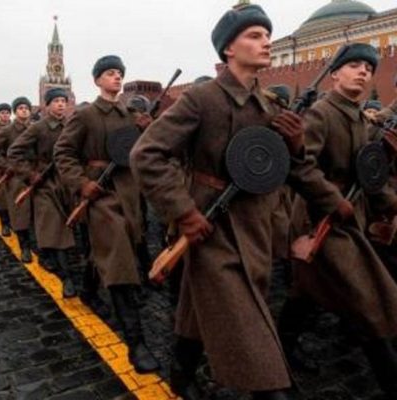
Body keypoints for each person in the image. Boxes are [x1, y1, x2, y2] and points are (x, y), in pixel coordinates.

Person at [131, 3, 306, 399]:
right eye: (255, 35)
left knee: (196, 308)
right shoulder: (202, 98)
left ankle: (181, 371)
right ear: (229, 48)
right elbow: (147, 154)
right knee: (254, 337)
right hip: (211, 230)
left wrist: (296, 147)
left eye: (268, 34)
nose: (267, 42)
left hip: (256, 228)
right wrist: (184, 212)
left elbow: (283, 170)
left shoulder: (271, 106)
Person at [283, 43, 397, 398]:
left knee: (305, 295)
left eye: (368, 67)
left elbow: (368, 176)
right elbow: (301, 167)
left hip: (349, 220)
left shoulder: (361, 118)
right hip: (321, 222)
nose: (363, 71)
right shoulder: (321, 114)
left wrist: (390, 204)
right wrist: (332, 200)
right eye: (354, 65)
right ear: (335, 74)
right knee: (368, 303)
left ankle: (282, 347)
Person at [53, 55, 159, 373]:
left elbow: (142, 151)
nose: (117, 78)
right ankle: (136, 342)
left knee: (108, 251)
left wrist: (145, 130)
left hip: (128, 193)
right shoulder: (85, 115)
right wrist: (81, 184)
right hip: (100, 196)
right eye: (110, 73)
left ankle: (87, 290)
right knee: (121, 260)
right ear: (97, 79)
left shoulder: (131, 114)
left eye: (120, 74)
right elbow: (64, 152)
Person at [8, 88, 77, 298]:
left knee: (66, 228)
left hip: (68, 183)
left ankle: (47, 254)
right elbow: (14, 152)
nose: (60, 105)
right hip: (45, 185)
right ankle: (67, 279)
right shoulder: (38, 128)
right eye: (56, 101)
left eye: (63, 101)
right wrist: (30, 175)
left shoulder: (71, 126)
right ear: (47, 105)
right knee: (57, 229)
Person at [0, 97, 33, 262]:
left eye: (26, 107)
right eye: (20, 108)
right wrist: (6, 166)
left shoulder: (35, 128)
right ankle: (24, 246)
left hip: (34, 174)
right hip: (15, 175)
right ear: (15, 112)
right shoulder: (7, 131)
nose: (24, 110)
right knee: (19, 212)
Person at [0, 103, 12, 237]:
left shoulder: (14, 127)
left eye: (7, 112)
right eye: (2, 113)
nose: (5, 115)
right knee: (2, 198)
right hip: (1, 169)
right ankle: (5, 224)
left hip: (17, 167)